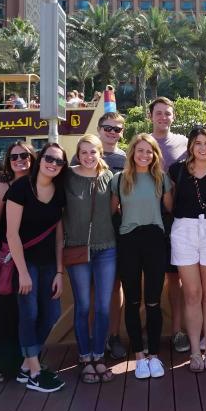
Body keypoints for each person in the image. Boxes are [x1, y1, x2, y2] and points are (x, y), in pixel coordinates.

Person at [5, 143, 68, 392]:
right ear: (40, 159)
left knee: (51, 313)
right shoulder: (21, 188)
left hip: (49, 264)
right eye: (49, 158)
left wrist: (60, 272)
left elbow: (59, 235)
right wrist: (22, 272)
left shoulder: (59, 190)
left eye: (59, 161)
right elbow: (12, 235)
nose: (53, 164)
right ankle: (34, 370)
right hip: (26, 263)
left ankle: (26, 364)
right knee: (29, 314)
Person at [111, 133, 173, 380]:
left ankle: (154, 355)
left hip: (155, 241)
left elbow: (170, 209)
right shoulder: (119, 179)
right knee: (133, 301)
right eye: (140, 151)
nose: (145, 155)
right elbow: (113, 211)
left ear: (155, 154)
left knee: (154, 301)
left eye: (150, 151)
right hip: (129, 242)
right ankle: (138, 355)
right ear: (132, 153)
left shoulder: (162, 179)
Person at [169, 126, 206, 372]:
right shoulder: (177, 171)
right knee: (192, 293)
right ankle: (195, 351)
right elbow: (169, 202)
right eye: (197, 143)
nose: (202, 147)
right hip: (184, 229)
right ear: (190, 146)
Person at [0, 140, 35, 383]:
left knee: (30, 313)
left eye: (25, 155)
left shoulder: (39, 184)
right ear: (8, 162)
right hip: (7, 259)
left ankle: (28, 360)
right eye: (14, 157)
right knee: (5, 313)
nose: (20, 160)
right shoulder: (2, 188)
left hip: (34, 257)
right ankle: (1, 365)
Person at [64, 134, 117, 384]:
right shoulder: (68, 177)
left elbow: (116, 209)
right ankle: (84, 358)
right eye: (83, 152)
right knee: (83, 306)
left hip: (106, 248)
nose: (88, 157)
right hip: (77, 249)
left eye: (92, 152)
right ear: (78, 153)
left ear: (100, 153)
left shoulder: (109, 178)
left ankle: (98, 356)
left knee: (103, 308)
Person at [148, 96, 190, 354]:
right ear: (150, 115)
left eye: (168, 113)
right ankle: (148, 335)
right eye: (159, 113)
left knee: (176, 280)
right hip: (147, 221)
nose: (163, 117)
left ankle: (177, 331)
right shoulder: (142, 143)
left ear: (173, 116)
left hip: (176, 218)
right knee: (151, 278)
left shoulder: (185, 144)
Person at [96, 111, 128, 360]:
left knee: (116, 286)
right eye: (108, 128)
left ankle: (114, 336)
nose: (112, 133)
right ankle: (94, 338)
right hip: (89, 233)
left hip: (117, 230)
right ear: (99, 129)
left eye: (117, 129)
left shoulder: (126, 159)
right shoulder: (85, 155)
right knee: (90, 289)